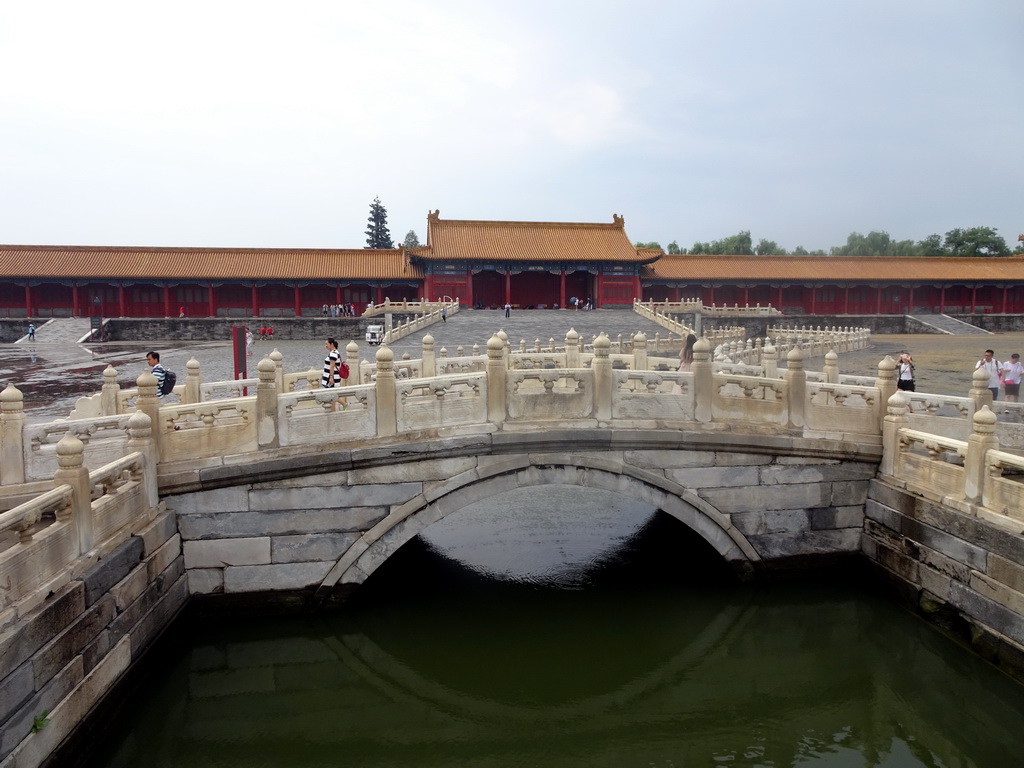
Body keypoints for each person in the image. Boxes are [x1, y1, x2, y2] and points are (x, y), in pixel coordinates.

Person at [321, 338, 345, 411]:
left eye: (327, 344)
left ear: (331, 344)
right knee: (332, 395)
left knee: (332, 395)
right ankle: (335, 410)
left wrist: (331, 377)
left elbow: (332, 366)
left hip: (332, 377)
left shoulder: (333, 354)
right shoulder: (334, 352)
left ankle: (344, 404)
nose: (326, 346)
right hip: (333, 376)